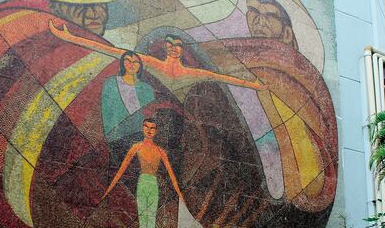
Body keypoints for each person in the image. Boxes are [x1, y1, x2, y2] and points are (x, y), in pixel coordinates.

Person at [48, 22, 264, 90]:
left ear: (182, 50)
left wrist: (254, 85)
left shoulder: (190, 72)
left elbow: (220, 77)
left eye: (177, 45)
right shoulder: (153, 63)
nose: (172, 48)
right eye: (169, 44)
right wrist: (70, 37)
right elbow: (113, 51)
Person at [102, 118, 185, 228]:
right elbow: (121, 170)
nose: (149, 130)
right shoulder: (136, 147)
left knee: (151, 222)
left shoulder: (160, 151)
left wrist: (180, 195)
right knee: (143, 221)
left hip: (153, 184)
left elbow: (172, 175)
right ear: (142, 128)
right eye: (146, 127)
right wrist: (108, 190)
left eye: (152, 128)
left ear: (156, 131)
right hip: (142, 183)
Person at [100, 51, 156, 142]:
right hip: (115, 132)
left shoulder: (147, 89)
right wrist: (110, 134)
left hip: (139, 133)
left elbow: (150, 115)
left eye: (136, 61)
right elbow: (107, 111)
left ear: (140, 65)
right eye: (128, 60)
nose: (132, 64)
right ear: (122, 63)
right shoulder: (111, 82)